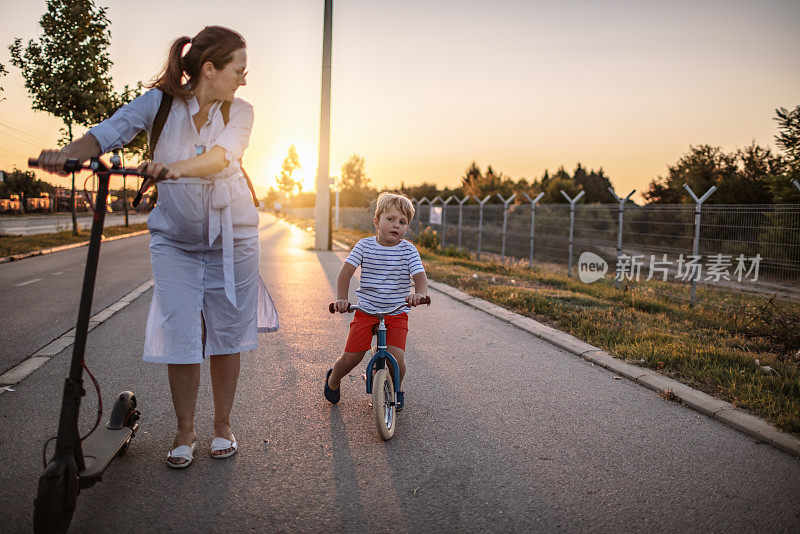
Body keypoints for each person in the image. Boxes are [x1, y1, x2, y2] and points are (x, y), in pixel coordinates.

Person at [35, 25, 278, 468]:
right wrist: (69, 152)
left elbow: (222, 158)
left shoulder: (240, 111)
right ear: (210, 69)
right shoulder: (159, 104)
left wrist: (172, 167)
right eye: (239, 69)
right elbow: (110, 132)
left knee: (225, 332)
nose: (244, 78)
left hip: (234, 238)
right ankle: (185, 430)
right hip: (175, 241)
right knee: (182, 331)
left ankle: (222, 425)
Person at [325, 192, 428, 410]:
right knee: (351, 358)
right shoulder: (364, 246)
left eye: (402, 222)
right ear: (376, 221)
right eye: (390, 219)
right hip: (366, 310)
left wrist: (418, 294)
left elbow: (420, 277)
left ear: (407, 227)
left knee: (397, 360)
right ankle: (333, 378)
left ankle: (397, 390)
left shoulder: (408, 250)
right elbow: (345, 273)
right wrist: (342, 299)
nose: (396, 226)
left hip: (396, 312)